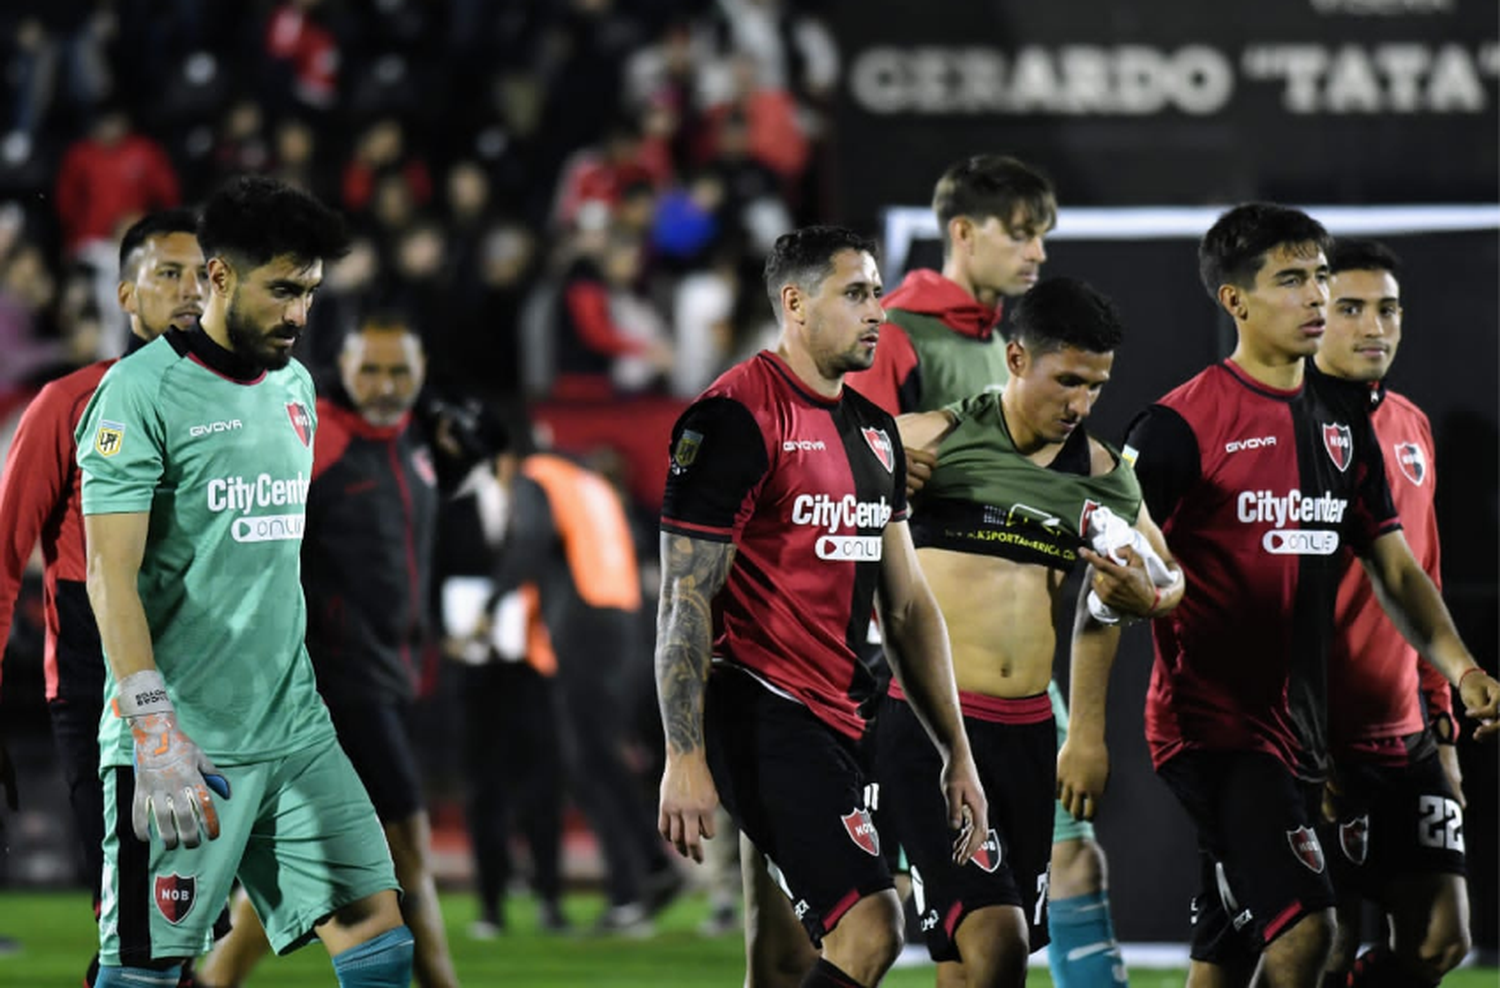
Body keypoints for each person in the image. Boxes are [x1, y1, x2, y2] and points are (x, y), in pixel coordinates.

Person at [1117, 203, 1499, 988]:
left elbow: (1399, 570)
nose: (1319, 298)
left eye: (1322, 277)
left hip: (1315, 730)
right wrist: (1085, 730)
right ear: (1236, 301)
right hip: (1217, 730)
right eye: (1295, 281)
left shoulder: (1349, 428)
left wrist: (1458, 671)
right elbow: (1109, 580)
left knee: (1263, 951)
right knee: (1306, 939)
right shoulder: (1175, 427)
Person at [74, 175, 412, 988]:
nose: (301, 313)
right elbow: (108, 575)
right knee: (145, 975)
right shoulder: (138, 393)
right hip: (184, 743)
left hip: (294, 730)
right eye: (284, 290)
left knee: (380, 939)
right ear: (219, 277)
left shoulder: (294, 387)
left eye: (311, 292)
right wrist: (154, 731)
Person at [656, 225, 988, 988]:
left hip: (849, 712)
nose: (878, 312)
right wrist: (683, 755)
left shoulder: (874, 434)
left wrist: (956, 752)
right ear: (796, 303)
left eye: (878, 292)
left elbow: (905, 608)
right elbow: (683, 598)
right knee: (873, 927)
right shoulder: (732, 418)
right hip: (761, 709)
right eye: (857, 293)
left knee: (783, 962)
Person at [847, 153, 1131, 988]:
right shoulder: (896, 330)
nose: (1037, 251)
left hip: (1018, 676)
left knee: (993, 916)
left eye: (1043, 234)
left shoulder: (1032, 345)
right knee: (881, 909)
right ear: (963, 233)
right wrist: (894, 451)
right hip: (904, 662)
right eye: (1020, 232)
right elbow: (853, 456)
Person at [885, 277, 1181, 988]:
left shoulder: (1104, 476)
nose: (1080, 404)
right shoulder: (928, 440)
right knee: (998, 944)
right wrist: (879, 484)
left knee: (967, 962)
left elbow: (1167, 577)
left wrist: (1149, 597)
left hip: (1026, 735)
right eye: (1068, 381)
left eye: (1097, 387)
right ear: (1016, 360)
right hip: (933, 728)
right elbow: (807, 497)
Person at [195, 315, 457, 987]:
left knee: (315, 869)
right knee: (403, 855)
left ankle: (212, 981)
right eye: (370, 369)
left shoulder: (416, 444)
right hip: (335, 683)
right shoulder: (317, 439)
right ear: (344, 366)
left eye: (399, 371)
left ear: (421, 370)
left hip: (388, 677)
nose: (385, 385)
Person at [0, 208, 205, 988]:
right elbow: (2, 555)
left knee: (188, 924)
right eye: (168, 273)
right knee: (135, 918)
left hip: (206, 673)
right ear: (126, 294)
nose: (190, 292)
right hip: (96, 677)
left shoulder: (240, 411)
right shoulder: (66, 404)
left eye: (202, 276)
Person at [1311, 240, 1473, 988]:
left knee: (1443, 939)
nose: (1374, 326)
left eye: (1388, 308)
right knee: (1322, 946)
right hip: (1316, 740)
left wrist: (1442, 726)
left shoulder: (1408, 424)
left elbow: (1422, 577)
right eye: (1351, 308)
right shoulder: (1287, 425)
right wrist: (1297, 742)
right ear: (1314, 315)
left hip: (1406, 733)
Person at [469, 414, 686, 936]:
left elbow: (530, 542)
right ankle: (652, 871)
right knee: (605, 761)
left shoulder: (535, 477)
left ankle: (631, 895)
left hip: (586, 629)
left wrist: (491, 602)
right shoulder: (587, 479)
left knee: (592, 767)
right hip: (627, 626)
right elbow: (635, 544)